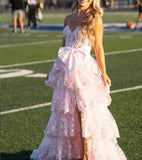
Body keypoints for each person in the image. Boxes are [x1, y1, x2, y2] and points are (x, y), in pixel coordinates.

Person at [30, 0, 127, 159]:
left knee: (85, 113)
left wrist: (104, 72)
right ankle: (73, 151)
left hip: (84, 72)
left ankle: (86, 155)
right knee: (68, 114)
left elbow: (99, 47)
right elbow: (63, 49)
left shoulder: (95, 18)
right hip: (67, 73)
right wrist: (54, 70)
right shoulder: (68, 19)